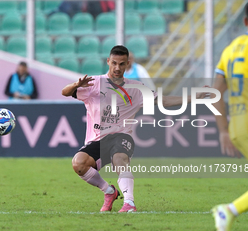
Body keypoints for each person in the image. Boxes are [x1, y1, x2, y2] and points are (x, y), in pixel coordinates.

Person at [61, 45, 208, 213]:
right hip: (98, 139)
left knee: (119, 159)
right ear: (108, 61)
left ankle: (129, 202)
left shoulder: (136, 88)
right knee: (78, 164)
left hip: (122, 136)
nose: (117, 68)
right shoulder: (94, 83)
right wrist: (75, 85)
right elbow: (65, 92)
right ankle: (109, 192)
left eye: (122, 64)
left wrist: (194, 97)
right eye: (114, 63)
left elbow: (164, 100)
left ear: (127, 64)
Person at [211, 1, 248, 231]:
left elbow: (216, 91)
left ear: (245, 21)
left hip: (238, 125)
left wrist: (224, 131)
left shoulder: (231, 49)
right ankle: (229, 211)